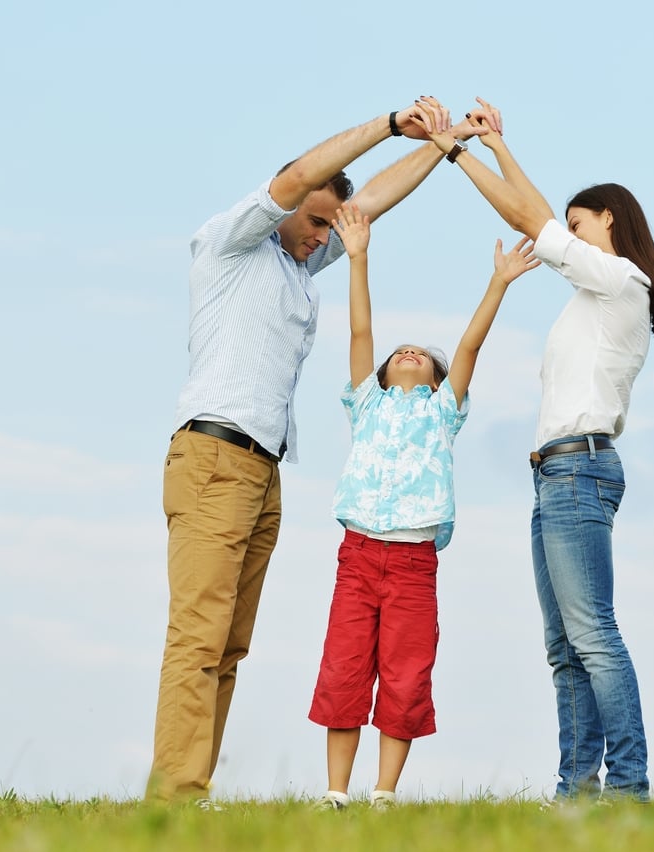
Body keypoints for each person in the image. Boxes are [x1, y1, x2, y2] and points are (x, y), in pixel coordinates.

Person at [147, 99, 483, 804]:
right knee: (198, 638)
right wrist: (391, 124)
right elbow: (305, 172)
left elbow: (372, 205)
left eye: (331, 228)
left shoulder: (300, 264)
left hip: (261, 470)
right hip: (213, 457)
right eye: (315, 221)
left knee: (228, 647)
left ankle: (191, 789)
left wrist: (445, 146)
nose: (323, 237)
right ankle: (174, 797)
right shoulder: (234, 242)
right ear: (288, 205)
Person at [414, 97, 654, 802]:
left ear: (610, 222)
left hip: (579, 469)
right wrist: (496, 145)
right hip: (554, 475)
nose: (570, 232)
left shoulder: (622, 281)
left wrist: (460, 151)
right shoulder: (592, 296)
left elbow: (531, 219)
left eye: (581, 221)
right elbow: (538, 215)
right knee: (565, 649)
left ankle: (627, 787)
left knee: (593, 636)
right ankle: (576, 789)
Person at [308, 202, 540, 810]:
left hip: (412, 565)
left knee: (406, 676)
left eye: (422, 354)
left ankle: (383, 793)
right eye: (400, 352)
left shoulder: (442, 412)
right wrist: (357, 258)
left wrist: (497, 282)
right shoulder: (369, 405)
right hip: (358, 558)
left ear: (438, 380)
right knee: (344, 669)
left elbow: (469, 346)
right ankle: (336, 792)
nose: (409, 352)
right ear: (382, 375)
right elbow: (361, 332)